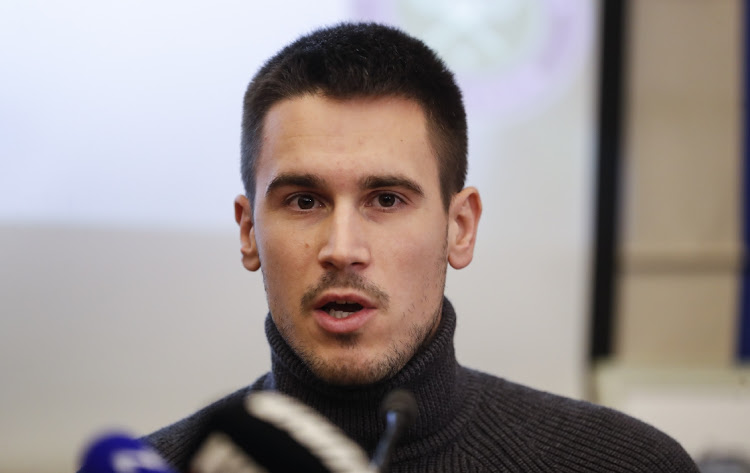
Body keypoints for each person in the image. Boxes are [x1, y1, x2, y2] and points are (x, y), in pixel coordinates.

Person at [146, 22, 698, 472]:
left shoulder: (627, 464)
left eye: (386, 200)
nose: (342, 249)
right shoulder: (161, 466)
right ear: (248, 232)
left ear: (460, 227)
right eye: (304, 201)